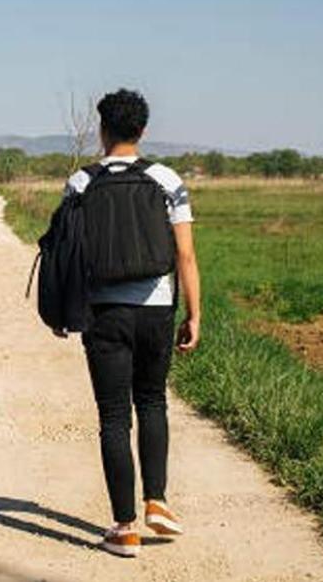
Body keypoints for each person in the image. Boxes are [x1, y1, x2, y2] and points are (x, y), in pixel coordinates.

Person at [60, 88, 201, 558]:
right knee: (153, 400)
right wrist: (194, 314)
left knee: (114, 417)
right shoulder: (167, 180)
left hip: (104, 315)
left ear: (103, 129)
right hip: (158, 310)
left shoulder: (81, 183)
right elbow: (185, 254)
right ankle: (157, 501)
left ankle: (125, 528)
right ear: (142, 130)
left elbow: (69, 255)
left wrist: (64, 312)